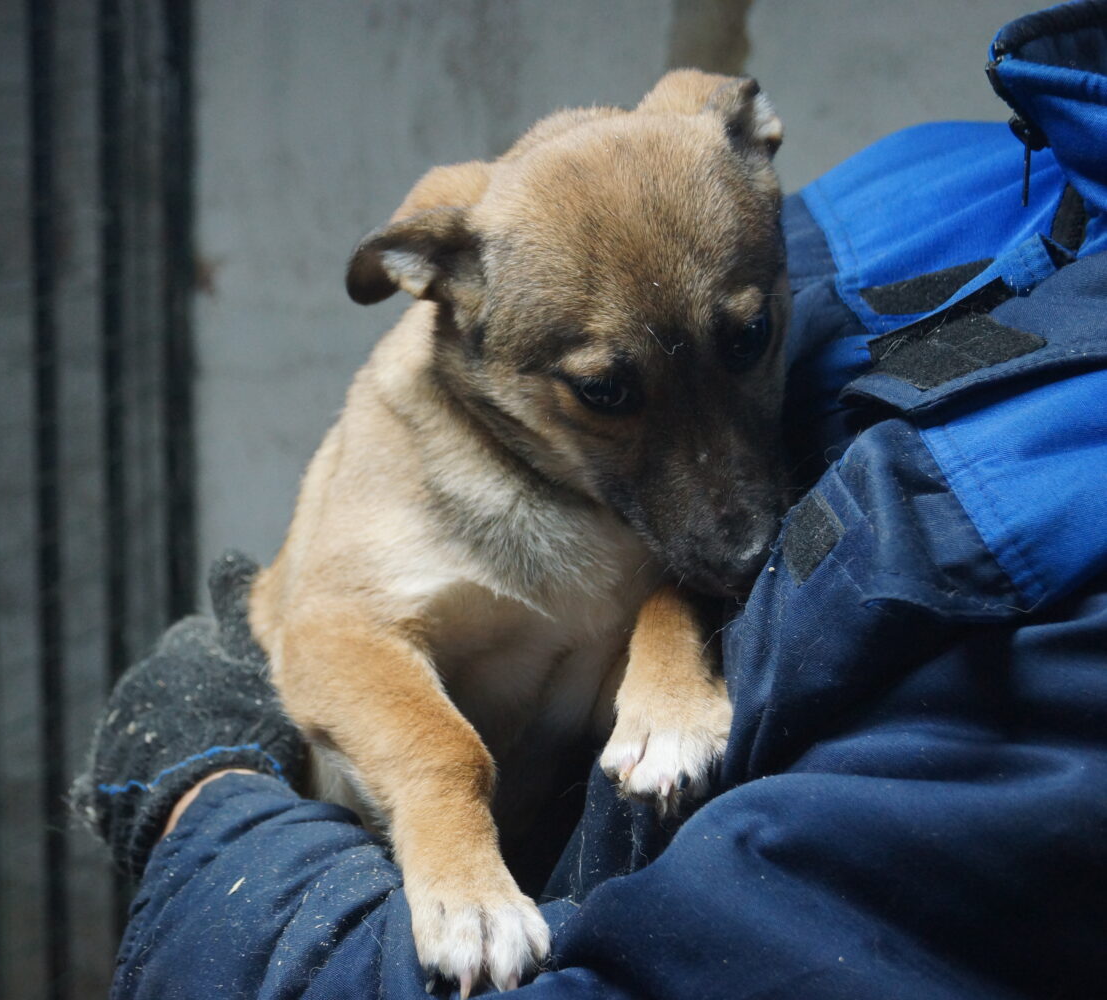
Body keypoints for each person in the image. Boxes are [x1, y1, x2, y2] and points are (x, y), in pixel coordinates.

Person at [73, 3, 1107, 996]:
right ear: (434, 279)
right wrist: (402, 790)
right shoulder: (962, 177)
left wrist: (670, 640)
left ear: (754, 142)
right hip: (354, 871)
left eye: (745, 341)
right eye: (610, 393)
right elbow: (334, 637)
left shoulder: (760, 196)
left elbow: (689, 586)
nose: (737, 512)